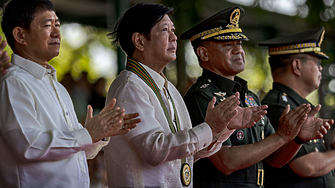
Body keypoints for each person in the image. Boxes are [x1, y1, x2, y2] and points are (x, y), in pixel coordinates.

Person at [104, 3, 268, 187]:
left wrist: (222, 128)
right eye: (165, 30)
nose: (174, 37)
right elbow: (154, 150)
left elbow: (187, 154)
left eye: (173, 30)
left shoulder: (168, 88)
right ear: (140, 41)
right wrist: (210, 127)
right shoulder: (130, 87)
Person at [181, 6, 331, 188]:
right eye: (228, 44)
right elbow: (226, 162)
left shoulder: (249, 97)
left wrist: (297, 138)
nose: (238, 50)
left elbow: (274, 159)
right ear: (203, 53)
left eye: (240, 44)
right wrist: (282, 136)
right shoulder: (203, 96)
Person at [0, 0, 140, 187]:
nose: (57, 33)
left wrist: (97, 134)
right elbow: (29, 147)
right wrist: (87, 134)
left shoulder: (57, 88)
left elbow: (72, 149)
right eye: (47, 25)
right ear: (20, 35)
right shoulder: (13, 82)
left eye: (57, 25)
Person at [259, 26, 335, 188]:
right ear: (297, 66)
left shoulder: (296, 105)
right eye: (316, 62)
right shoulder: (280, 106)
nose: (320, 68)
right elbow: (307, 165)